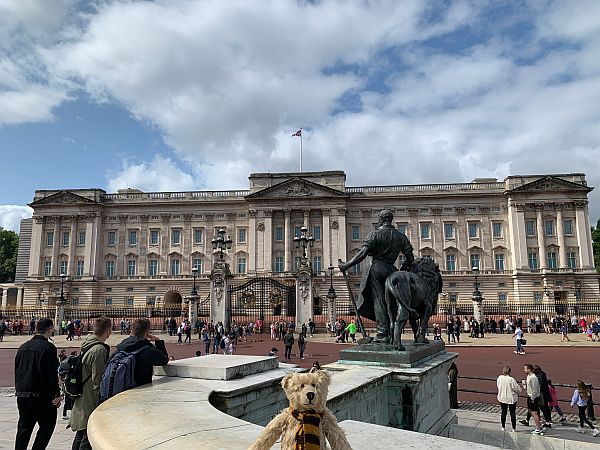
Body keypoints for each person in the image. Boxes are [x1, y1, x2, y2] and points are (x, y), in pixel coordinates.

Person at [338, 209, 414, 343]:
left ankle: (383, 333)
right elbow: (410, 257)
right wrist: (404, 268)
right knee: (391, 302)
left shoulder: (374, 234)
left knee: (379, 300)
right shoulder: (401, 236)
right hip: (392, 270)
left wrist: (346, 265)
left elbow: (363, 254)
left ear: (380, 220)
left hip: (376, 268)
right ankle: (393, 331)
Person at [14, 318, 62, 450]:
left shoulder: (23, 347)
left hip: (23, 394)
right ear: (50, 329)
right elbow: (51, 374)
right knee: (47, 426)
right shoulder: (48, 347)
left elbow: (18, 371)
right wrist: (56, 394)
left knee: (24, 429)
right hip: (41, 396)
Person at [69, 316, 112, 450]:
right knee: (89, 435)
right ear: (108, 330)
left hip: (82, 392)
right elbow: (97, 379)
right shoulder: (99, 349)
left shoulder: (88, 343)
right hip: (90, 397)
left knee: (81, 432)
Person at [114, 318, 169, 387]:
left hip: (120, 388)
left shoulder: (121, 346)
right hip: (140, 387)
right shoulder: (148, 349)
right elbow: (164, 359)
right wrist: (158, 341)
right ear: (147, 332)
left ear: (132, 330)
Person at [496, 365, 521, 432]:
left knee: (503, 412)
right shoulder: (511, 379)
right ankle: (513, 428)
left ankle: (503, 427)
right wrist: (519, 390)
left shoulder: (499, 378)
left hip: (502, 397)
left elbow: (498, 386)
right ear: (509, 371)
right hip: (511, 398)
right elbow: (517, 388)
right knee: (512, 413)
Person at [522, 364, 543, 435]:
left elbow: (535, 389)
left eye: (525, 369)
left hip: (533, 397)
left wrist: (533, 398)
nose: (524, 370)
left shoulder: (533, 378)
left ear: (529, 369)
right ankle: (539, 425)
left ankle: (538, 428)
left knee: (534, 412)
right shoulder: (528, 376)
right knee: (532, 411)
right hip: (530, 396)